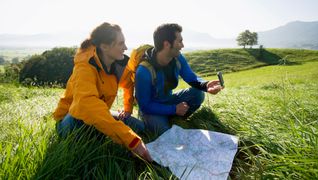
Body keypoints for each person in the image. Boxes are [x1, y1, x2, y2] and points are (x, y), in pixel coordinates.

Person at [53, 22, 152, 162]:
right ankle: (88, 146)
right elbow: (87, 105)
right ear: (104, 46)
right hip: (71, 120)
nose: (125, 48)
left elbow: (128, 83)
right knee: (92, 130)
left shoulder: (118, 63)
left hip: (100, 113)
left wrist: (127, 108)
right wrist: (131, 140)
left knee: (140, 127)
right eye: (120, 43)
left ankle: (102, 134)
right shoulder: (85, 67)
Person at [135, 23, 223, 136]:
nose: (182, 45)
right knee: (164, 133)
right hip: (151, 109)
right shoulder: (144, 71)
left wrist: (205, 85)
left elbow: (190, 77)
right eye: (179, 41)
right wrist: (174, 109)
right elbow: (145, 106)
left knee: (198, 93)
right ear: (167, 44)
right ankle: (168, 119)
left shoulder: (177, 58)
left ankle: (171, 118)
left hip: (169, 100)